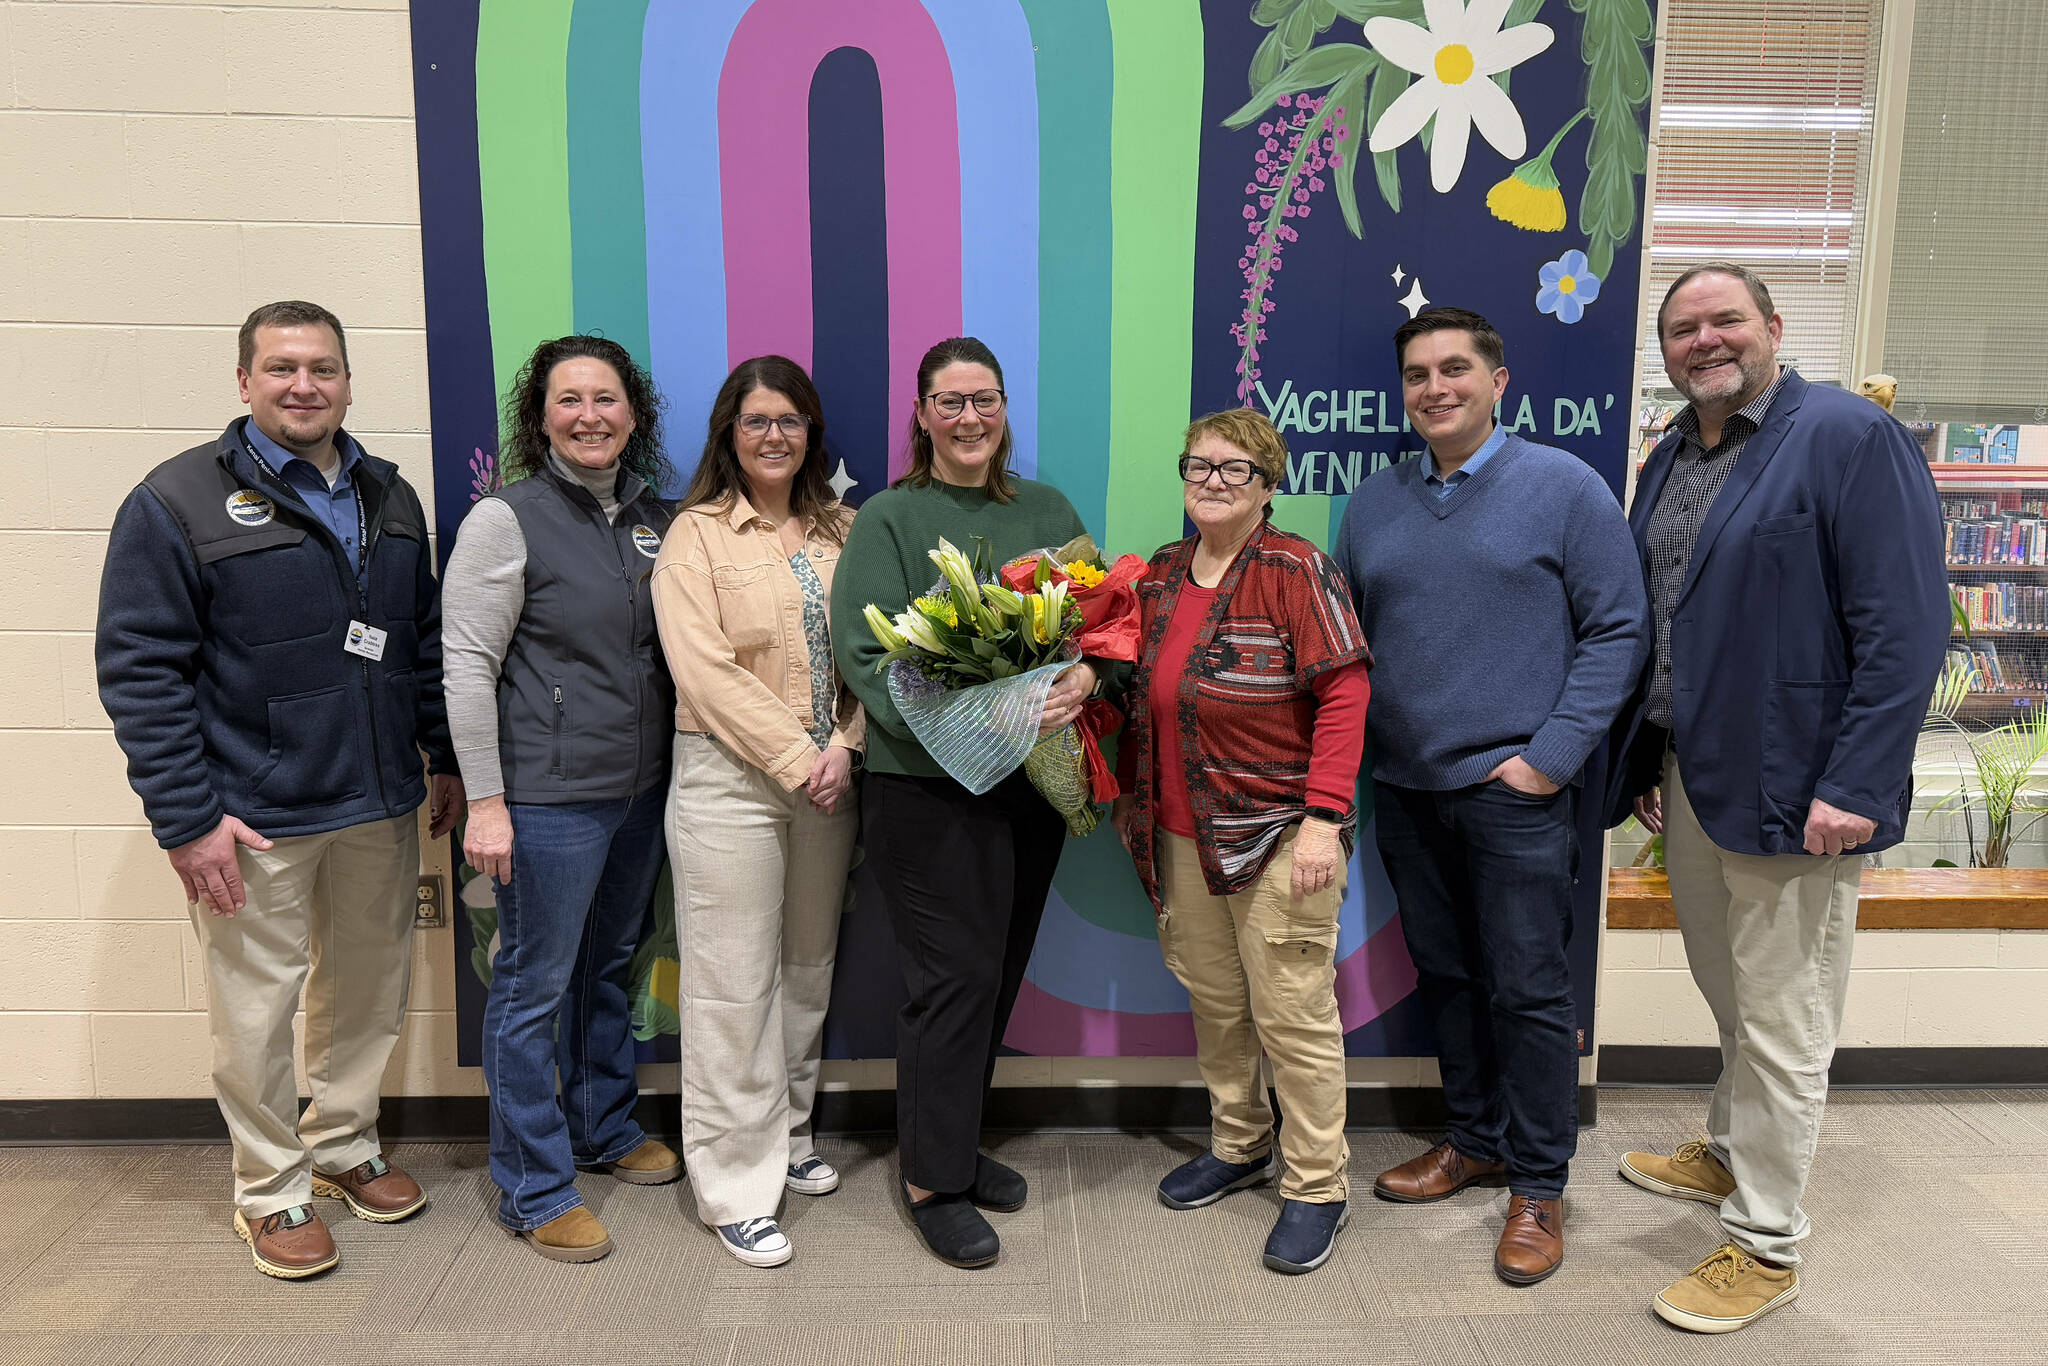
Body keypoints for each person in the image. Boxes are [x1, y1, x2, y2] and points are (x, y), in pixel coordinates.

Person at [1606, 264, 1948, 1333]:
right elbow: (1664, 617)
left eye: (1723, 320)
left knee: (1785, 1014)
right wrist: (1641, 762)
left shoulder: (1846, 437)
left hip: (1800, 787)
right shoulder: (1670, 451)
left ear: (1771, 327)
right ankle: (1726, 1149)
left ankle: (1763, 1245)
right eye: (1681, 328)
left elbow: (1905, 627)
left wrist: (1852, 781)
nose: (1702, 340)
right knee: (1730, 988)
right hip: (1696, 775)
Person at [95, 300, 462, 1280]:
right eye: (282, 367)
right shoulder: (175, 501)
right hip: (249, 816)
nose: (304, 385)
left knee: (368, 992)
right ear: (245, 381)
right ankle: (270, 1189)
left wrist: (444, 755)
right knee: (256, 1009)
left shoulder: (390, 497)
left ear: (348, 380)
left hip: (377, 797)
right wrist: (187, 818)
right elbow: (140, 670)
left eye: (323, 368)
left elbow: (415, 644)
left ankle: (342, 1146)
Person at [1334, 306, 1648, 1286]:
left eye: (1455, 369)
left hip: (1513, 789)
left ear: (1497, 379)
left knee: (1528, 990)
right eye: (1418, 374)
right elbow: (1351, 648)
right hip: (1407, 786)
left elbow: (1616, 632)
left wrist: (1547, 759)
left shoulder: (1562, 488)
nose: (1435, 388)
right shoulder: (1373, 502)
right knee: (1450, 979)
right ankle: (1472, 1140)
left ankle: (1539, 1185)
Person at [828, 336, 1103, 1269]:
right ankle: (931, 1179)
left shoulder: (1047, 508)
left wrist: (1082, 685)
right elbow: (867, 664)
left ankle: (952, 1140)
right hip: (925, 795)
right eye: (949, 402)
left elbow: (1094, 625)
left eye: (983, 399)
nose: (969, 418)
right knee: (951, 981)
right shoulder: (889, 520)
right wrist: (965, 735)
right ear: (920, 414)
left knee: (997, 970)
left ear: (1003, 406)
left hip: (1026, 788)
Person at [1108, 409, 1372, 1275]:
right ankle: (1238, 1141)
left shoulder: (1298, 569)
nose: (1212, 481)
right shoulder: (1161, 572)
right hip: (1181, 835)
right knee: (1217, 1006)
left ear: (1268, 485)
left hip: (1279, 836)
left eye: (1235, 469)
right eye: (1199, 465)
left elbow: (1345, 692)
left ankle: (1317, 1186)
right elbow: (1132, 686)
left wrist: (1325, 817)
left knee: (1293, 1016)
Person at [442, 335, 682, 1264]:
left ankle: (604, 1128)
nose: (590, 416)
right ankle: (532, 1186)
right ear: (539, 418)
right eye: (569, 400)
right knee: (533, 984)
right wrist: (489, 803)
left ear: (634, 413)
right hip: (545, 800)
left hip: (638, 791)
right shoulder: (508, 520)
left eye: (608, 399)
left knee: (607, 964)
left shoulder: (657, 519)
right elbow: (466, 667)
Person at [651, 356, 863, 1268]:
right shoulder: (694, 536)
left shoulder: (848, 529)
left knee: (807, 968)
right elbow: (702, 670)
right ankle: (736, 1185)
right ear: (728, 435)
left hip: (832, 779)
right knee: (733, 984)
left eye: (790, 419)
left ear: (812, 432)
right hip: (730, 781)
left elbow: (883, 658)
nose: (773, 435)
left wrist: (847, 746)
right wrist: (798, 756)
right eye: (754, 420)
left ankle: (790, 1134)